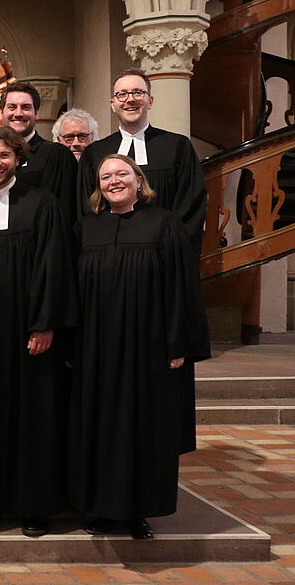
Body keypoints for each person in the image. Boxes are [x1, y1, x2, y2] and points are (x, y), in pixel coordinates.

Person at [70, 154, 209, 540]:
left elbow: (182, 288)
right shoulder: (86, 228)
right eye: (106, 177)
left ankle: (137, 512)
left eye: (121, 174)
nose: (114, 181)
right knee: (97, 426)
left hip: (145, 348)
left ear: (138, 179)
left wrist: (178, 342)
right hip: (95, 349)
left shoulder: (164, 223)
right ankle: (98, 508)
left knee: (141, 428)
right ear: (98, 186)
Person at [0, 126, 77, 537]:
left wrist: (44, 323)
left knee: (33, 417)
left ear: (17, 159)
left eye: (4, 156)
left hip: (28, 330)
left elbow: (53, 265)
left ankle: (33, 508)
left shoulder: (42, 204)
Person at [77, 69, 207, 253]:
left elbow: (191, 206)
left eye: (138, 92)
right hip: (109, 257)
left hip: (165, 256)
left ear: (150, 101)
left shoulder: (177, 146)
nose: (130, 99)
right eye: (122, 94)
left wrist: (173, 250)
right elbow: (87, 209)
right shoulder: (95, 152)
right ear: (113, 104)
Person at [0, 82, 78, 226]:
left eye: (26, 107)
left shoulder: (56, 155)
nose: (18, 113)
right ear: (2, 113)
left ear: (36, 113)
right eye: (12, 107)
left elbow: (65, 211)